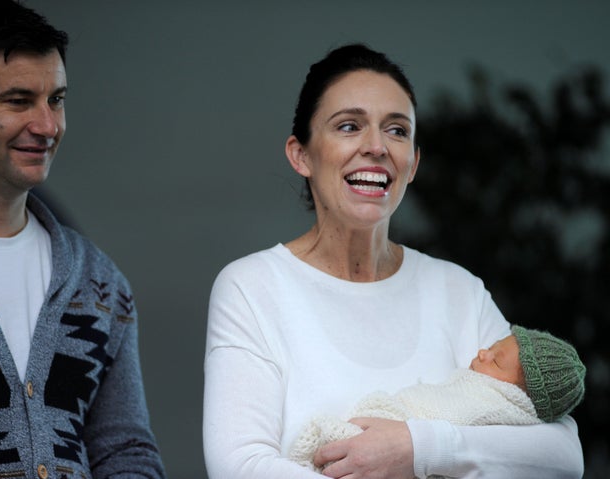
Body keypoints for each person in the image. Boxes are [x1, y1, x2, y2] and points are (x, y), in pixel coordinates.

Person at [203, 43, 584, 478]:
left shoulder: (457, 291)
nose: (376, 147)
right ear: (301, 155)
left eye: (398, 131)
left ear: (413, 163)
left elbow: (563, 457)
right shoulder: (252, 287)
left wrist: (416, 447)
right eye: (349, 126)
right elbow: (239, 466)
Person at [0, 1, 166, 478]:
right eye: (18, 101)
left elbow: (125, 452)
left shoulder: (97, 281)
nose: (47, 126)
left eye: (56, 99)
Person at [289, 325, 586, 472]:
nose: (483, 353)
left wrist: (418, 444)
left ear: (521, 395)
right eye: (491, 347)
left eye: (495, 361)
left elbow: (567, 458)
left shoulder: (493, 404)